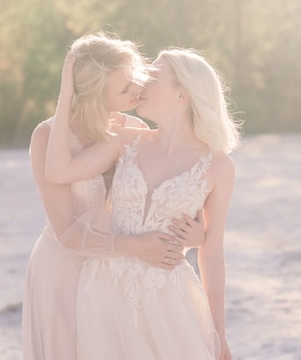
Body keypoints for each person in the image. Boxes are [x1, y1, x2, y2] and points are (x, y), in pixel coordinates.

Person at [46, 47, 240, 360]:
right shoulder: (127, 140)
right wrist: (67, 93)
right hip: (103, 292)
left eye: (152, 79)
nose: (140, 86)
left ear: (183, 94)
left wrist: (219, 334)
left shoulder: (218, 167)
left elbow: (213, 254)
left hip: (168, 297)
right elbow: (57, 171)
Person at [22, 33, 204, 360]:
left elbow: (165, 196)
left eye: (134, 80)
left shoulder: (132, 127)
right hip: (66, 268)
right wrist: (135, 247)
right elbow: (67, 232)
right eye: (124, 89)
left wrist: (197, 233)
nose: (138, 90)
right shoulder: (46, 137)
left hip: (120, 271)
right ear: (93, 96)